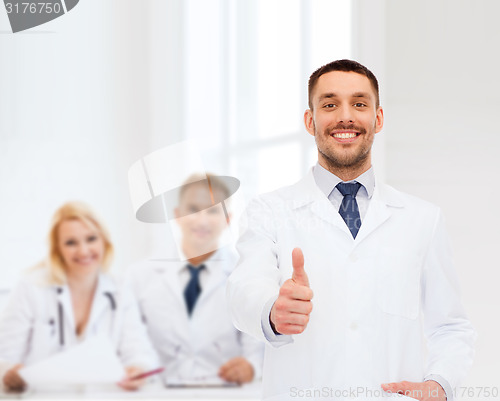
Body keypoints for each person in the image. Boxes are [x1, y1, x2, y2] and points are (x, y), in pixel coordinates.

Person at [227, 59, 476, 400]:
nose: (345, 116)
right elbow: (244, 290)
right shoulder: (269, 211)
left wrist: (441, 383)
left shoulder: (422, 218)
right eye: (330, 105)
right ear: (310, 121)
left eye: (359, 104)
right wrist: (272, 312)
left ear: (378, 118)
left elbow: (450, 325)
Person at [0, 201, 159, 392]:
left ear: (104, 241)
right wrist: (10, 372)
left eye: (91, 239)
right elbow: (5, 356)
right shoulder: (32, 288)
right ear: (58, 249)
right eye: (71, 242)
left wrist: (138, 369)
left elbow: (139, 350)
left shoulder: (120, 289)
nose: (83, 251)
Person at [128, 173, 263, 386]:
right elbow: (132, 340)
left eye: (212, 211)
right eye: (193, 209)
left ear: (227, 220)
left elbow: (257, 348)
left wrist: (251, 367)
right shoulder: (139, 277)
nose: (202, 220)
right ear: (177, 214)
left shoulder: (246, 275)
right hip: (158, 394)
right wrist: (137, 367)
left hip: (223, 394)